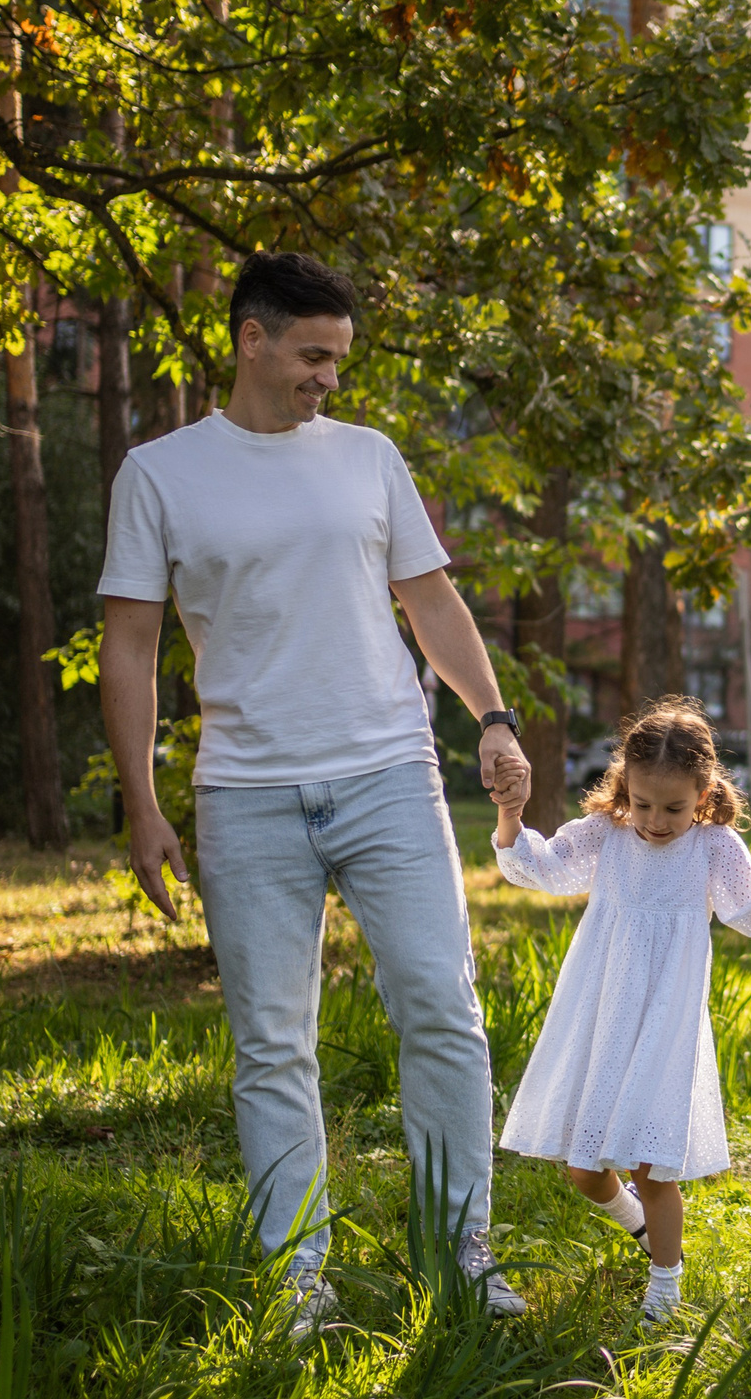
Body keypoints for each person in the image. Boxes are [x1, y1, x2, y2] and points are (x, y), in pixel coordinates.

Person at [96, 251, 533, 1333]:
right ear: (251, 339)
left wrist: (491, 717)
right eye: (312, 355)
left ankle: (461, 1258)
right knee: (271, 1045)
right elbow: (130, 647)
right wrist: (142, 803)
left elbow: (431, 604)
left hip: (389, 775)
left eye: (338, 359)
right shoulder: (159, 474)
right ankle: (298, 1283)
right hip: (245, 794)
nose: (328, 378)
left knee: (443, 1012)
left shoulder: (369, 457)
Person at [489, 701, 751, 1323]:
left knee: (652, 1168)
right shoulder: (606, 834)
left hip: (664, 1022)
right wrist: (510, 815)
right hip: (601, 1014)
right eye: (644, 803)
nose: (655, 821)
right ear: (625, 786)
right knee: (583, 1169)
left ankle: (665, 1289)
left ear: (703, 794)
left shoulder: (712, 846)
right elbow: (541, 869)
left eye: (674, 808)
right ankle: (638, 1226)